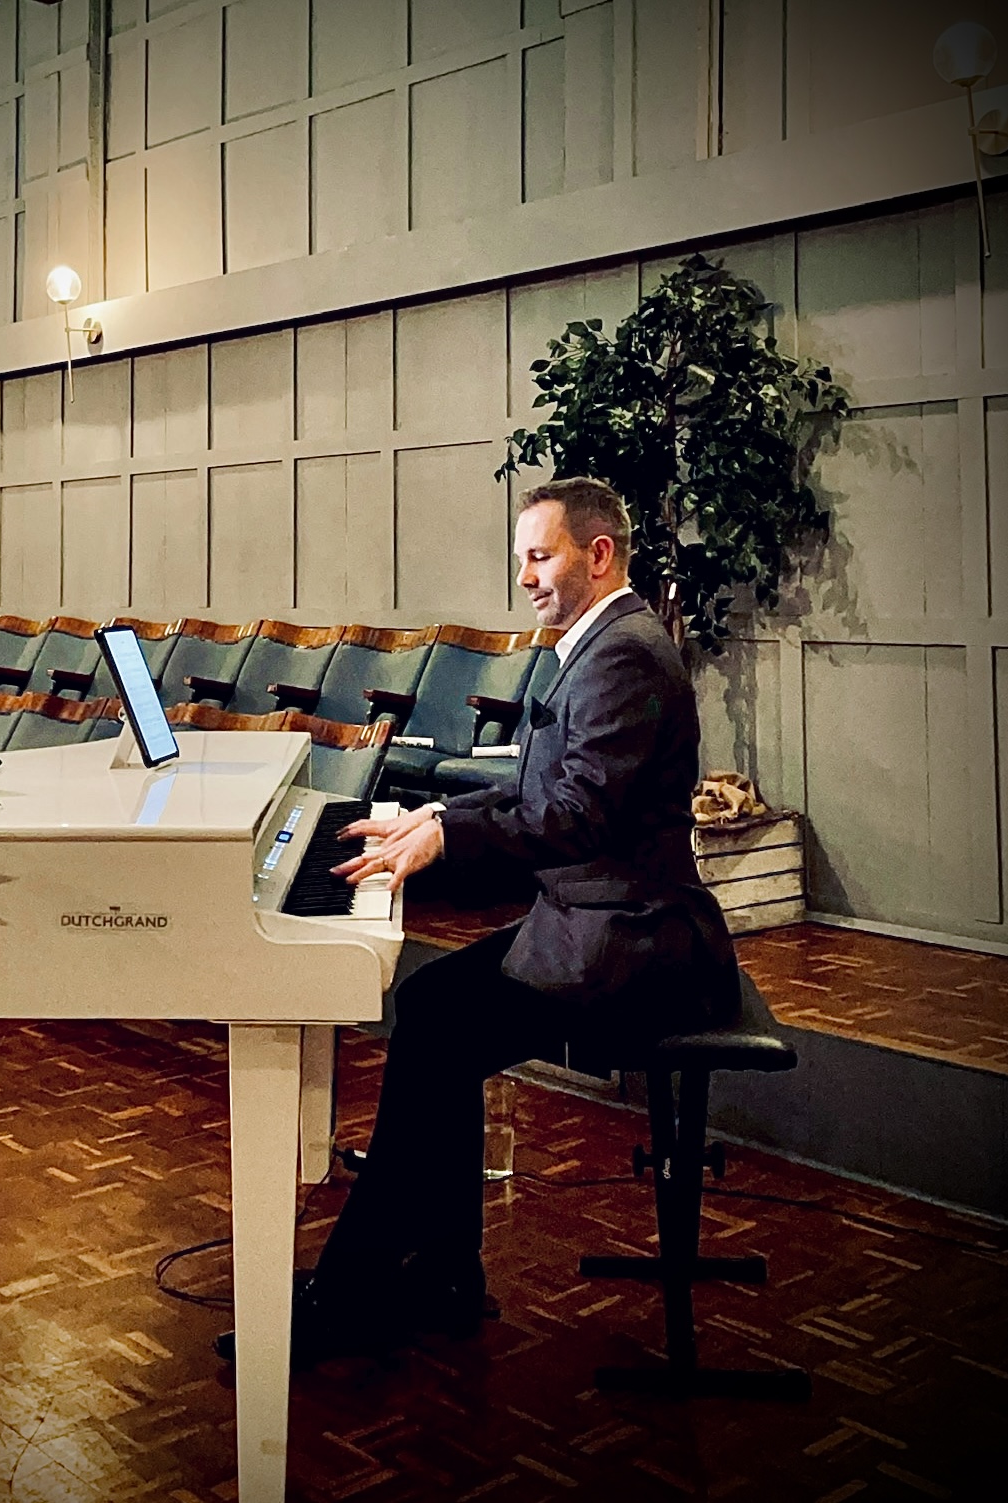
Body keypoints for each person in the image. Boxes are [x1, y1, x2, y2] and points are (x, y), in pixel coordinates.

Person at [223, 476, 740, 1368]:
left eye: (540, 557)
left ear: (598, 554)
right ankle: (441, 1272)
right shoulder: (604, 643)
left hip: (634, 942)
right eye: (521, 560)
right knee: (434, 1011)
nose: (526, 577)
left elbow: (574, 816)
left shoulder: (621, 655)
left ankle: (357, 1293)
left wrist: (445, 839)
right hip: (600, 920)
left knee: (435, 1021)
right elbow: (541, 789)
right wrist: (430, 817)